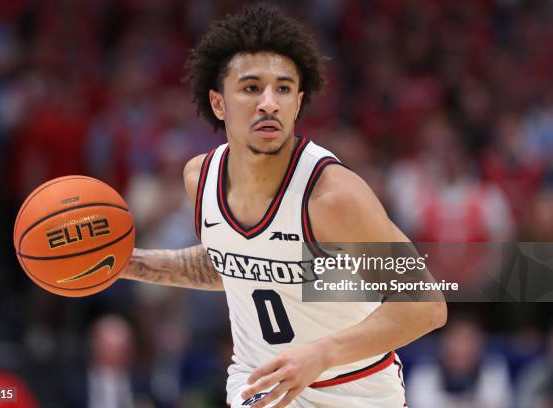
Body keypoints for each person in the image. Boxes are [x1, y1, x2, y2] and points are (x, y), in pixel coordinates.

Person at [120, 5, 447, 407]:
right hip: (258, 387)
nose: (269, 103)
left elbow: (426, 305)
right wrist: (126, 263)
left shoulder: (332, 197)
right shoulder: (200, 180)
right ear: (219, 103)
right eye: (252, 88)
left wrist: (321, 355)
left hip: (353, 393)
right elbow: (235, 263)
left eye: (283, 89)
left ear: (297, 102)